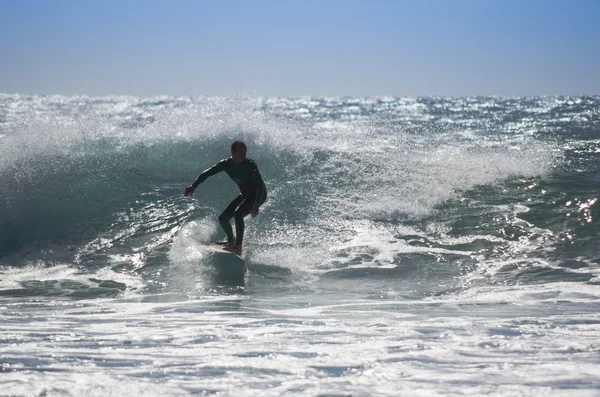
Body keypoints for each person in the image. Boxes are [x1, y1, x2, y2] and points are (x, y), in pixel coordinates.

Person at [184, 141, 267, 255]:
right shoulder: (226, 164)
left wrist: (256, 204)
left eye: (245, 151)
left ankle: (238, 246)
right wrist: (194, 185)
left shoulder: (250, 164)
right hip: (245, 194)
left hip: (259, 194)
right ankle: (231, 240)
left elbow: (259, 185)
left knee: (238, 214)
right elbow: (207, 173)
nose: (244, 154)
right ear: (233, 152)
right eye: (241, 152)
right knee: (223, 218)